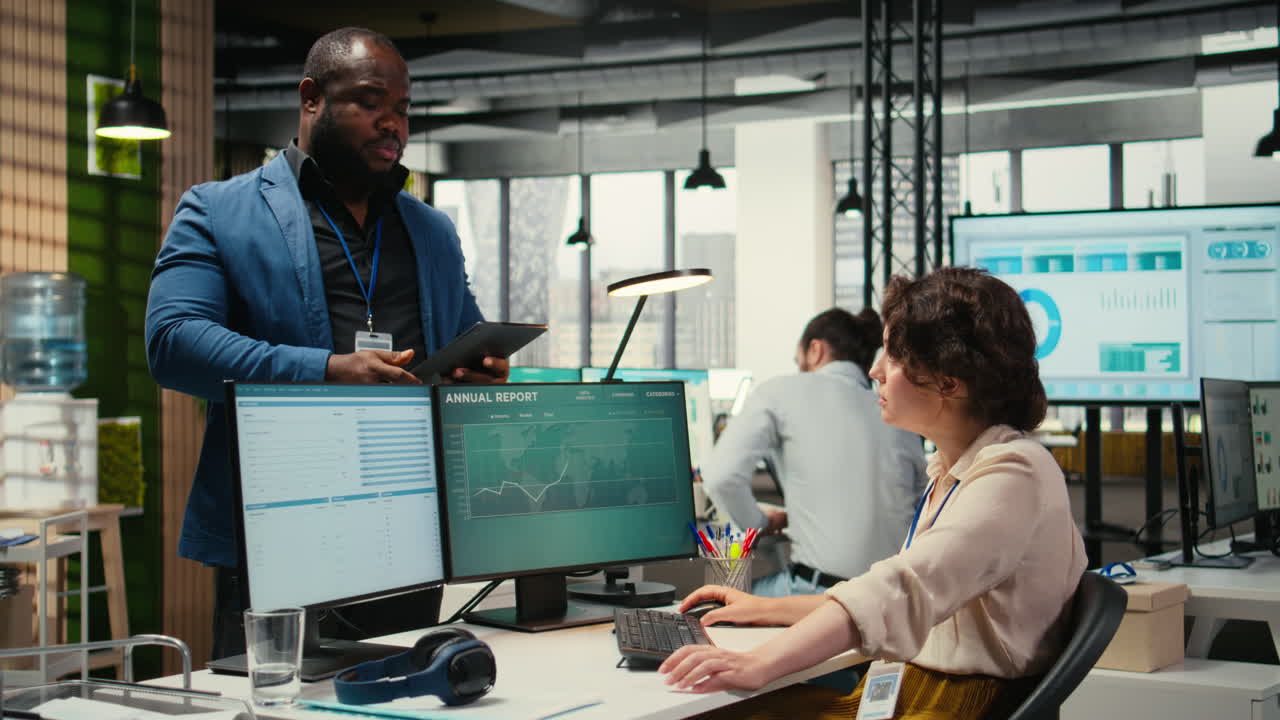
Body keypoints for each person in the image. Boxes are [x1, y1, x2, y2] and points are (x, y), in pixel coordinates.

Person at [144, 27, 508, 659]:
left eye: (403, 109)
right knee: (275, 697)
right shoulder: (217, 211)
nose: (392, 123)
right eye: (371, 102)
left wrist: (478, 373)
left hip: (408, 529)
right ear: (311, 97)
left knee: (410, 694)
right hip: (280, 531)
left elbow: (462, 341)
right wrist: (326, 371)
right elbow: (173, 343)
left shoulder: (431, 230)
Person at [661, 267, 1088, 720]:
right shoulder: (955, 469)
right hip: (913, 690)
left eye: (894, 356)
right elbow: (887, 592)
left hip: (948, 706)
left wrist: (757, 664)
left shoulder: (1016, 474)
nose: (875, 371)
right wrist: (765, 608)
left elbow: (901, 589)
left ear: (949, 381)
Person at [701, 308, 926, 598]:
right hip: (892, 597)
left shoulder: (779, 391)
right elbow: (921, 505)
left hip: (820, 592)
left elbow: (721, 477)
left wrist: (759, 524)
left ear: (815, 350)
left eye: (798, 362)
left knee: (716, 601)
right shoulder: (898, 415)